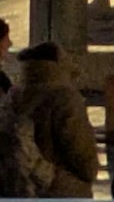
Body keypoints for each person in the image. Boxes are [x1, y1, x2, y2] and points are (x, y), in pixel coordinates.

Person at [12, 42, 95, 197]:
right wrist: (89, 172)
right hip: (60, 189)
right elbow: (80, 150)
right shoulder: (65, 97)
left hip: (21, 187)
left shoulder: (14, 94)